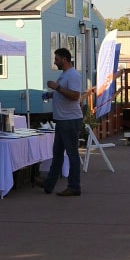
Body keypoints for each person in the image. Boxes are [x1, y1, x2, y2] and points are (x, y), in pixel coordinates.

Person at [41, 48, 84, 196]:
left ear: (64, 60)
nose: (55, 62)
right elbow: (64, 93)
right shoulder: (65, 75)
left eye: (57, 59)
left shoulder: (73, 75)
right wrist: (52, 94)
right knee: (57, 154)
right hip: (62, 120)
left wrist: (57, 87)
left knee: (72, 154)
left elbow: (75, 96)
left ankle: (74, 186)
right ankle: (49, 184)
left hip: (70, 120)